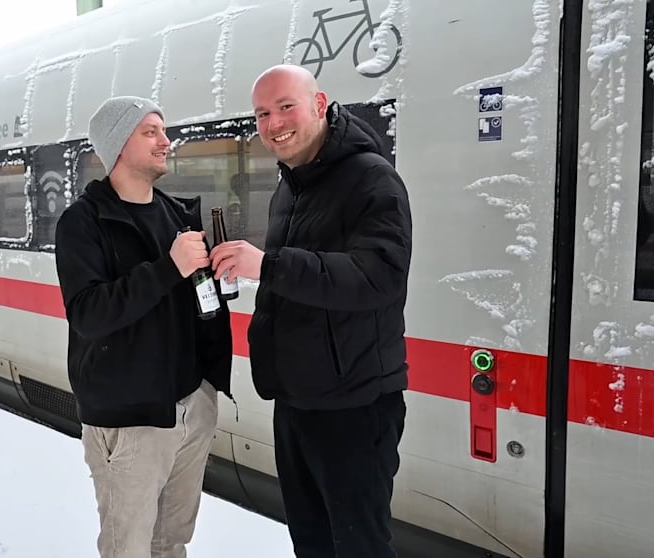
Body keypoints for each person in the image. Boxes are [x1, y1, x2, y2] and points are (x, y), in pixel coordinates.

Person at [210, 65, 412, 558]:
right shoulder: (293, 185)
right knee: (312, 542)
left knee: (357, 546)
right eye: (262, 113)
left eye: (285, 107)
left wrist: (269, 264)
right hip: (299, 401)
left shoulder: (371, 179)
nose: (273, 123)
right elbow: (301, 282)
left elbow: (377, 277)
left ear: (320, 104)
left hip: (354, 405)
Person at [54, 96, 233, 558]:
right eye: (150, 131)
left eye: (163, 130)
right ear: (117, 145)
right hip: (131, 420)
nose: (165, 141)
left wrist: (214, 280)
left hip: (191, 406)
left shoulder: (178, 215)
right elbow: (89, 313)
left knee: (171, 543)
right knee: (128, 550)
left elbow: (194, 300)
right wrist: (166, 269)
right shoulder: (83, 223)